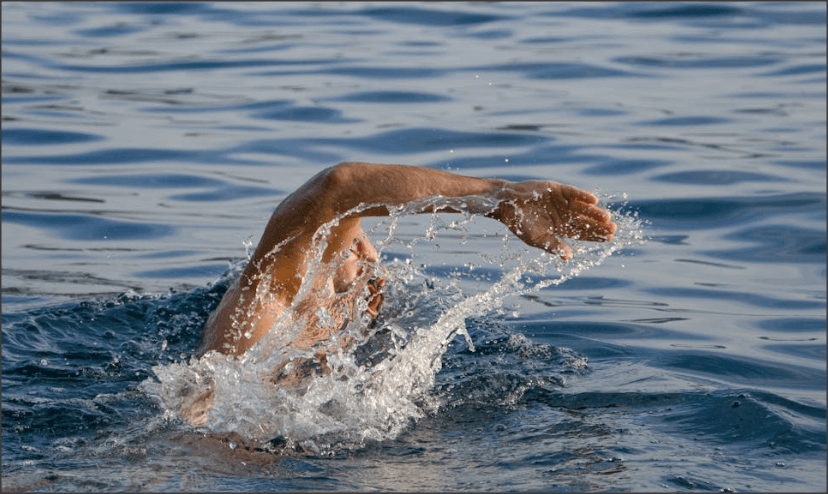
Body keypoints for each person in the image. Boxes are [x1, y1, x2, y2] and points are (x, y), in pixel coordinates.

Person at [183, 162, 616, 425]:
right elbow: (341, 186)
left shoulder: (297, 339)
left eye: (351, 247)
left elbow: (341, 195)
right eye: (348, 240)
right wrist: (499, 198)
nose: (355, 242)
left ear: (366, 301)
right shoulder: (265, 304)